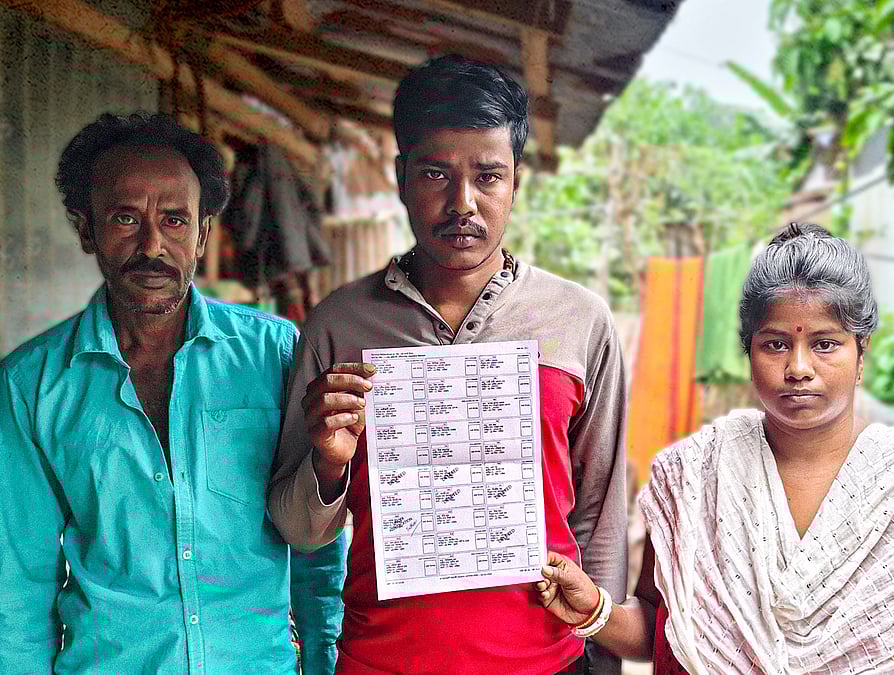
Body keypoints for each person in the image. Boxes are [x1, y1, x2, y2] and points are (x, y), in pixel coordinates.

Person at [536, 223, 894, 673]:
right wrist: (595, 610)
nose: (798, 367)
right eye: (776, 343)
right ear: (750, 349)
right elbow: (666, 629)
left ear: (861, 349)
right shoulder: (693, 477)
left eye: (825, 343)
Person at [266, 55, 629, 675]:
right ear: (402, 176)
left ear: (516, 182)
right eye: (437, 174)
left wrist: (597, 638)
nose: (463, 202)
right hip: (383, 661)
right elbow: (300, 531)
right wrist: (329, 461)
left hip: (545, 662)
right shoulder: (338, 324)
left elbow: (600, 509)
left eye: (488, 176)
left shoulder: (580, 321)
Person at [0, 112, 345, 673]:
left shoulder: (274, 353)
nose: (152, 244)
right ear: (87, 229)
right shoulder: (33, 382)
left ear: (202, 234)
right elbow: (20, 584)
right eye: (126, 218)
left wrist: (328, 660)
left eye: (175, 220)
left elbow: (318, 540)